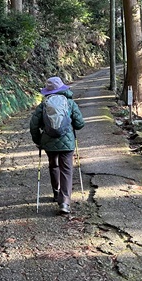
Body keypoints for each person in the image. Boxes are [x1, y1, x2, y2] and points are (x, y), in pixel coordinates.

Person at [30, 76, 85, 214]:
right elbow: (79, 124)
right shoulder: (70, 103)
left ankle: (56, 192)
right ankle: (64, 202)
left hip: (48, 142)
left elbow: (33, 125)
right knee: (66, 169)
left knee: (54, 165)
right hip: (67, 143)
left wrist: (38, 141)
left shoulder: (43, 105)